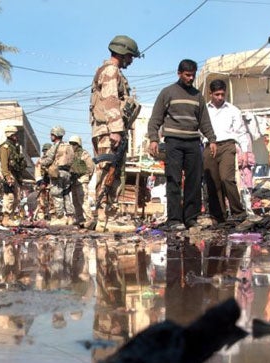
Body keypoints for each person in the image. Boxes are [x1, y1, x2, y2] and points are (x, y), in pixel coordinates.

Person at [148, 59, 217, 231]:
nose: (190, 78)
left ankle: (191, 218)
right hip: (174, 142)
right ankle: (174, 219)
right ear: (179, 73)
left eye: (193, 75)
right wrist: (153, 139)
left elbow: (204, 121)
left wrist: (212, 139)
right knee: (174, 180)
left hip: (193, 142)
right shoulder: (168, 92)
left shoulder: (197, 96)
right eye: (187, 75)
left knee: (194, 181)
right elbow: (156, 118)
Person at [90, 35, 141, 224]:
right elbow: (110, 100)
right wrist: (116, 129)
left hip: (106, 128)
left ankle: (106, 214)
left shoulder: (108, 70)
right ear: (124, 53)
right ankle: (104, 215)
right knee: (108, 170)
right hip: (109, 129)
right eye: (130, 56)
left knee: (112, 171)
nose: (131, 60)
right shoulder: (111, 70)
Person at [203, 79, 249, 225]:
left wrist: (245, 152)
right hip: (209, 146)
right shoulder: (204, 110)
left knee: (226, 179)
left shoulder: (233, 110)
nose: (220, 98)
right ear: (210, 94)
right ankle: (219, 216)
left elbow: (241, 132)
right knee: (213, 182)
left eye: (222, 94)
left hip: (228, 145)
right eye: (217, 94)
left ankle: (238, 212)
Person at [35, 126, 74, 225]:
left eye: (52, 134)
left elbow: (49, 160)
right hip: (67, 173)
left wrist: (41, 162)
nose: (50, 136)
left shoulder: (55, 146)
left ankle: (60, 217)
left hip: (58, 173)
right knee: (66, 194)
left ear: (55, 135)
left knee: (57, 194)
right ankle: (70, 217)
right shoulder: (69, 146)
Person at [0, 125, 27, 226]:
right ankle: (6, 218)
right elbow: (4, 164)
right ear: (10, 134)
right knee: (9, 196)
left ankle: (10, 217)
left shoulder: (15, 147)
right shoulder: (5, 147)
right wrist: (7, 176)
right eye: (15, 134)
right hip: (9, 174)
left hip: (16, 174)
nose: (16, 136)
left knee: (17, 197)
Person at [69, 135, 95, 227]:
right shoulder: (71, 155)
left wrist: (86, 178)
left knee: (83, 200)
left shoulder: (84, 154)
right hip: (74, 180)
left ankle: (90, 219)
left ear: (78, 144)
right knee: (75, 201)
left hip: (82, 179)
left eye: (74, 144)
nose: (72, 145)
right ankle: (80, 219)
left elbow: (91, 167)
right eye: (71, 144)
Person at [34, 142, 52, 221]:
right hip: (42, 185)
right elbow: (37, 173)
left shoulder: (53, 160)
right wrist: (41, 183)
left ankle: (52, 216)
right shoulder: (40, 161)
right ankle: (41, 217)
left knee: (52, 202)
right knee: (41, 202)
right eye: (44, 150)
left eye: (47, 150)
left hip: (51, 184)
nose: (45, 152)